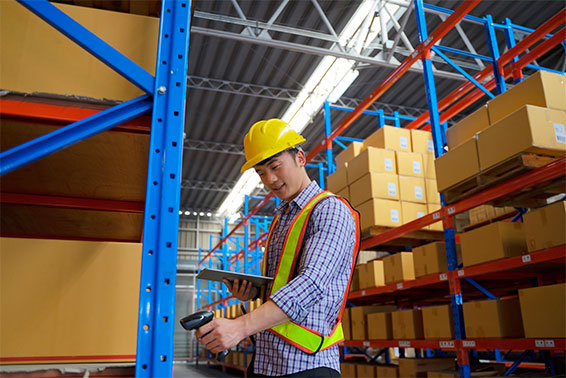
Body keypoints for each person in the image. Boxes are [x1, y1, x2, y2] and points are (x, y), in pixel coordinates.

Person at [197, 119, 360, 377]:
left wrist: (240, 327)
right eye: (261, 173)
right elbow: (284, 282)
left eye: (275, 166)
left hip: (308, 364)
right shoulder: (282, 218)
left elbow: (311, 284)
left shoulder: (331, 210)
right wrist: (254, 291)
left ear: (300, 158)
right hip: (268, 361)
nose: (269, 179)